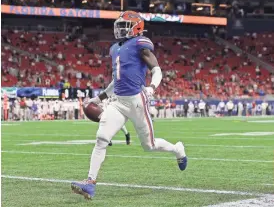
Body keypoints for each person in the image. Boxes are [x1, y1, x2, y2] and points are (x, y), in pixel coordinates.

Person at [71, 11, 187, 199]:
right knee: (101, 138)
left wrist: (151, 88)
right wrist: (98, 99)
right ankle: (90, 183)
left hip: (136, 101)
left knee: (149, 145)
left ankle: (177, 149)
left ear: (137, 27)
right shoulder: (115, 48)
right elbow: (116, 81)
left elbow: (157, 70)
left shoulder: (141, 43)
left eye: (124, 25)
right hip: (117, 101)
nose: (120, 29)